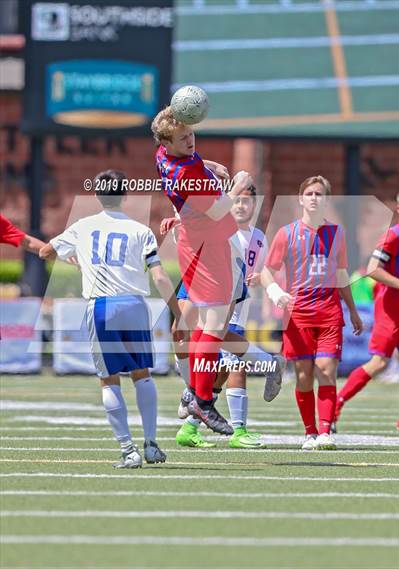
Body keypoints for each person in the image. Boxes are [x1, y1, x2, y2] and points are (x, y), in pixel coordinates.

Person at [151, 107, 284, 435]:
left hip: (199, 243)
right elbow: (218, 208)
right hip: (209, 244)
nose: (191, 140)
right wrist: (236, 186)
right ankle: (202, 398)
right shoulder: (185, 175)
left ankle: (198, 394)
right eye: (184, 138)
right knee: (211, 326)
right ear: (168, 141)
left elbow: (191, 165)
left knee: (201, 326)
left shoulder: (165, 154)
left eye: (192, 134)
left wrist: (207, 165)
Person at [40, 169, 183, 468]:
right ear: (124, 196)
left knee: (108, 381)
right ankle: (152, 444)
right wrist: (178, 312)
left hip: (103, 306)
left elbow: (45, 251)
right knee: (142, 374)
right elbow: (159, 275)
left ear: (97, 195)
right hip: (134, 304)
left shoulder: (83, 226)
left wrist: (75, 257)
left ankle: (128, 450)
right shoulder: (140, 230)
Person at [262, 175, 363, 451]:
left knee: (326, 371)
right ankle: (309, 432)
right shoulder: (286, 233)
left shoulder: (337, 234)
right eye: (310, 193)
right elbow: (266, 272)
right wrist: (276, 293)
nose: (314, 198)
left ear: (326, 200)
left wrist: (352, 311)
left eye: (320, 194)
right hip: (298, 316)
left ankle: (325, 431)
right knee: (304, 375)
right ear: (301, 199)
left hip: (329, 313)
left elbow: (341, 275)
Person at [165, 185, 269, 449]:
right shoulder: (220, 226)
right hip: (213, 296)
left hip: (235, 301)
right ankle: (235, 427)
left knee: (222, 370)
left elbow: (263, 269)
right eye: (238, 200)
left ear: (255, 206)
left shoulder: (258, 237)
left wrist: (265, 283)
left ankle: (192, 427)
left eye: (248, 201)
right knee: (215, 355)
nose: (242, 205)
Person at [334, 186, 399, 434]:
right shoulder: (392, 236)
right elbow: (373, 268)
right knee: (379, 363)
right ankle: (336, 405)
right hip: (389, 310)